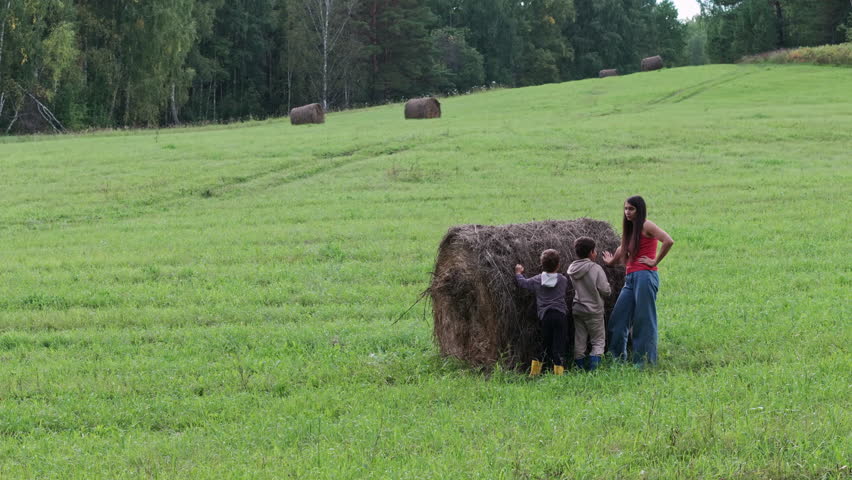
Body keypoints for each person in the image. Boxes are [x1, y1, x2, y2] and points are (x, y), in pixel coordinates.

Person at [603, 195, 674, 366]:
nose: (627, 212)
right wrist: (611, 262)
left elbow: (668, 240)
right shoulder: (631, 229)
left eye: (631, 209)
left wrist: (654, 261)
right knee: (618, 319)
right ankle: (617, 360)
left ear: (639, 210)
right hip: (631, 278)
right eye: (626, 208)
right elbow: (623, 248)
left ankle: (644, 362)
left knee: (644, 320)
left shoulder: (646, 225)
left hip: (645, 276)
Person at [515, 249, 569, 376]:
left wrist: (518, 273)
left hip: (546, 316)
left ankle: (534, 373)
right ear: (558, 265)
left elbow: (523, 283)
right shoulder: (563, 280)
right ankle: (558, 374)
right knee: (559, 345)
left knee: (544, 344)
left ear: (541, 264)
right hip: (560, 315)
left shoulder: (537, 279)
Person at [567, 237, 611, 371]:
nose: (596, 253)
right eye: (595, 251)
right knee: (598, 340)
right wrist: (609, 288)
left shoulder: (572, 268)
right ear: (591, 252)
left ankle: (579, 368)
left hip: (578, 308)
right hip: (593, 310)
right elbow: (605, 290)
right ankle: (594, 371)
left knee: (579, 340)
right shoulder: (595, 268)